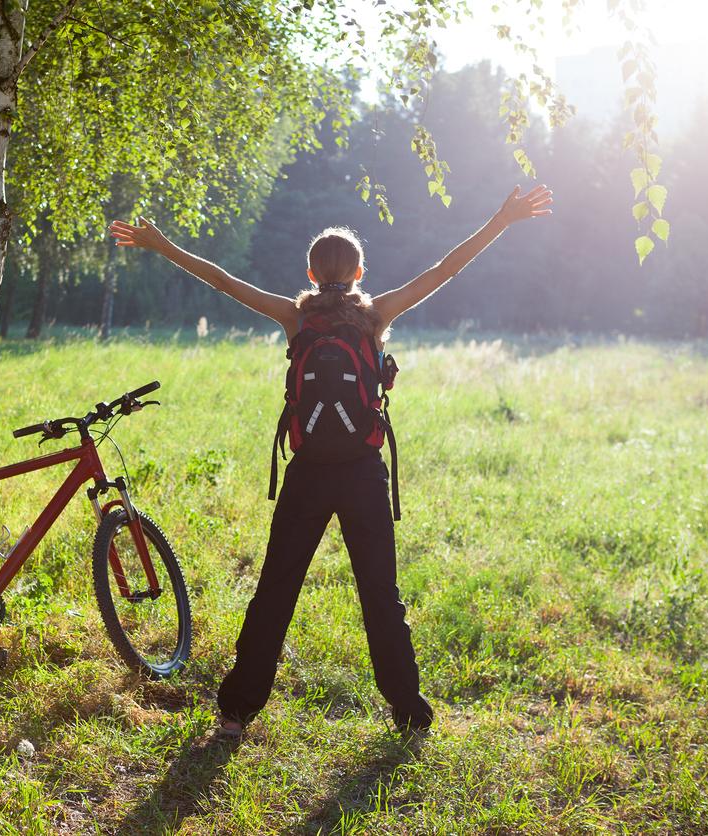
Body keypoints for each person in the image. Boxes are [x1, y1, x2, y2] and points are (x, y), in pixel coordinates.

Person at [109, 184, 554, 738]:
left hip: (308, 474)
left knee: (275, 589)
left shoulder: (295, 320)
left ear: (311, 272)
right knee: (380, 596)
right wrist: (503, 218)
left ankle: (235, 714)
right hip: (364, 475)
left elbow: (222, 280)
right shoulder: (375, 317)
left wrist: (161, 246)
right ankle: (410, 716)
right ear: (361, 271)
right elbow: (445, 269)